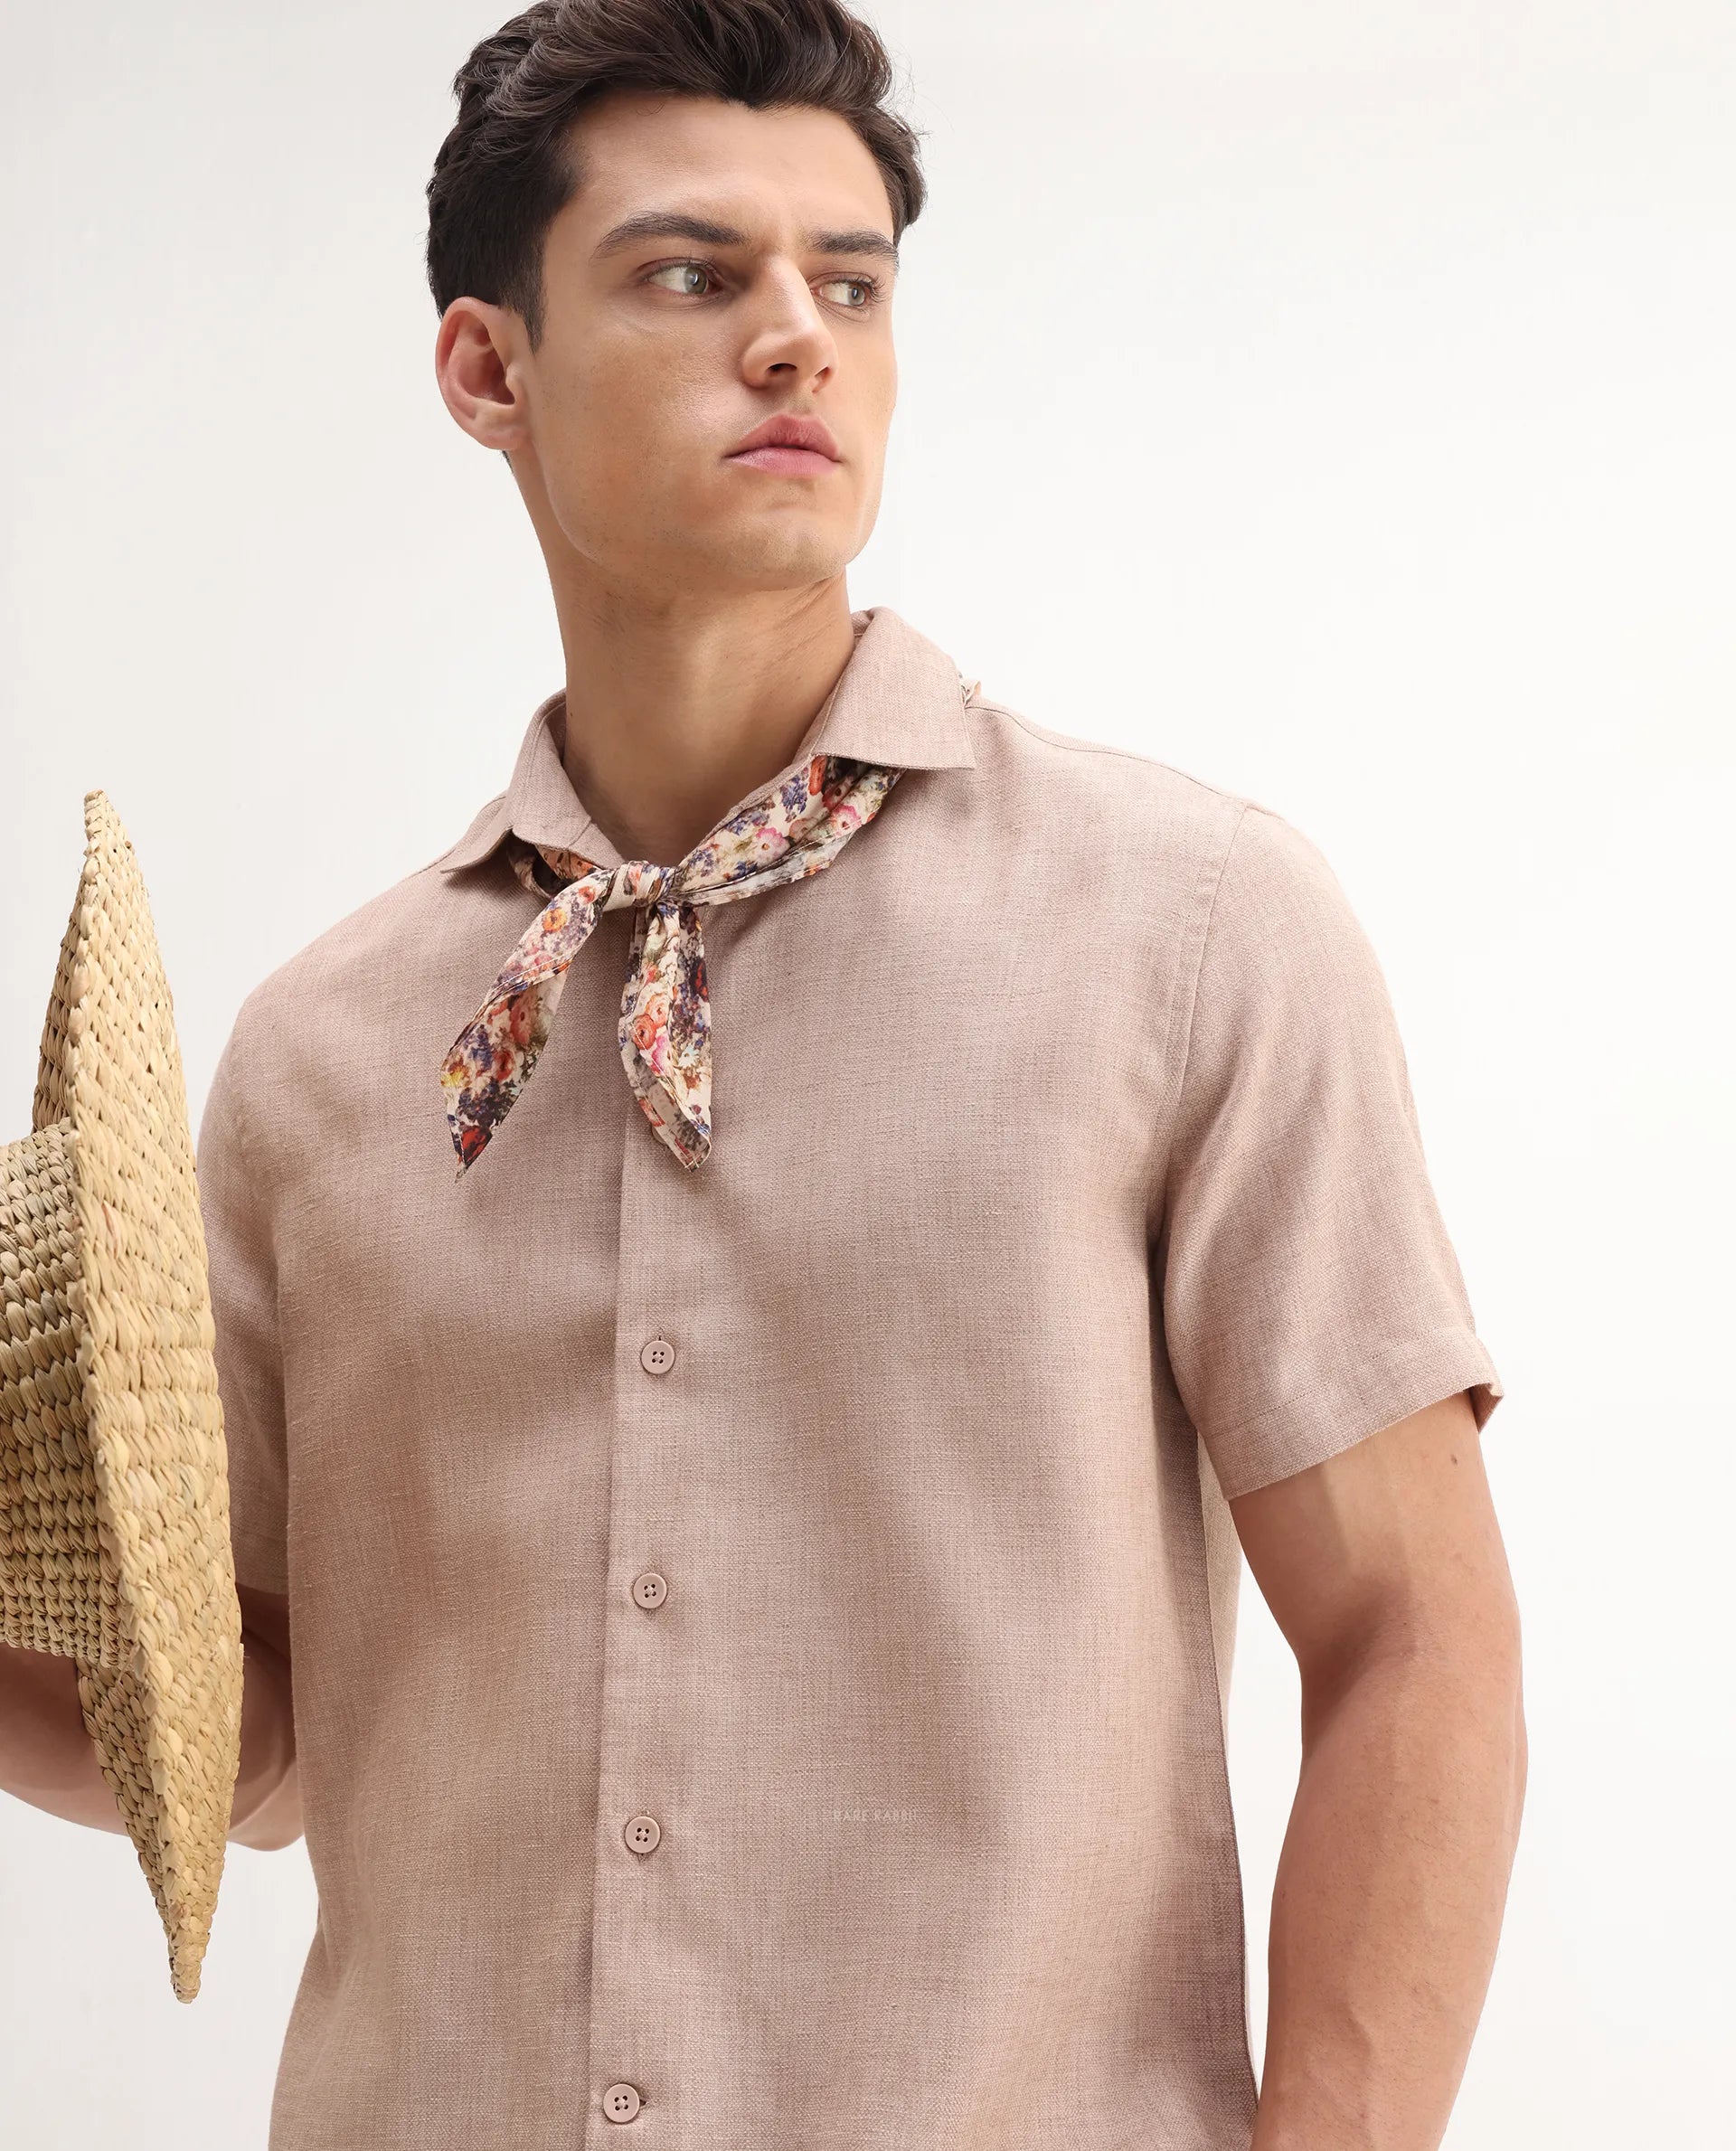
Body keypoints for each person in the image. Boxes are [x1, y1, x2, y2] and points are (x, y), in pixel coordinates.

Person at [0, 3, 1525, 2146]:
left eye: (852, 283)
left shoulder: (1189, 933)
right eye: (693, 273)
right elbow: (253, 1737)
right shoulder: (320, 1056)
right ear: (488, 371)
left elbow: (1410, 1639)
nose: (799, 337)